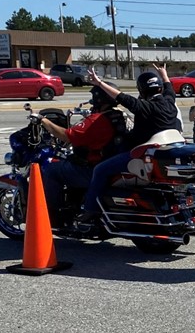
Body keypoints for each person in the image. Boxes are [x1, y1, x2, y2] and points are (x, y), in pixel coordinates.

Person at [79, 65, 181, 222]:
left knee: (99, 169)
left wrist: (99, 83)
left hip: (141, 154)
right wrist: (164, 74)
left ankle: (90, 210)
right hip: (161, 150)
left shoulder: (147, 107)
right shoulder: (169, 103)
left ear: (141, 90)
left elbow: (121, 97)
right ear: (159, 88)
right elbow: (169, 88)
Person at [38, 84, 128, 224]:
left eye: (94, 97)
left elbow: (67, 136)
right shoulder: (118, 115)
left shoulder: (97, 120)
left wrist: (44, 121)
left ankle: (54, 215)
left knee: (51, 169)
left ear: (100, 99)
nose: (92, 101)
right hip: (113, 164)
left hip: (92, 169)